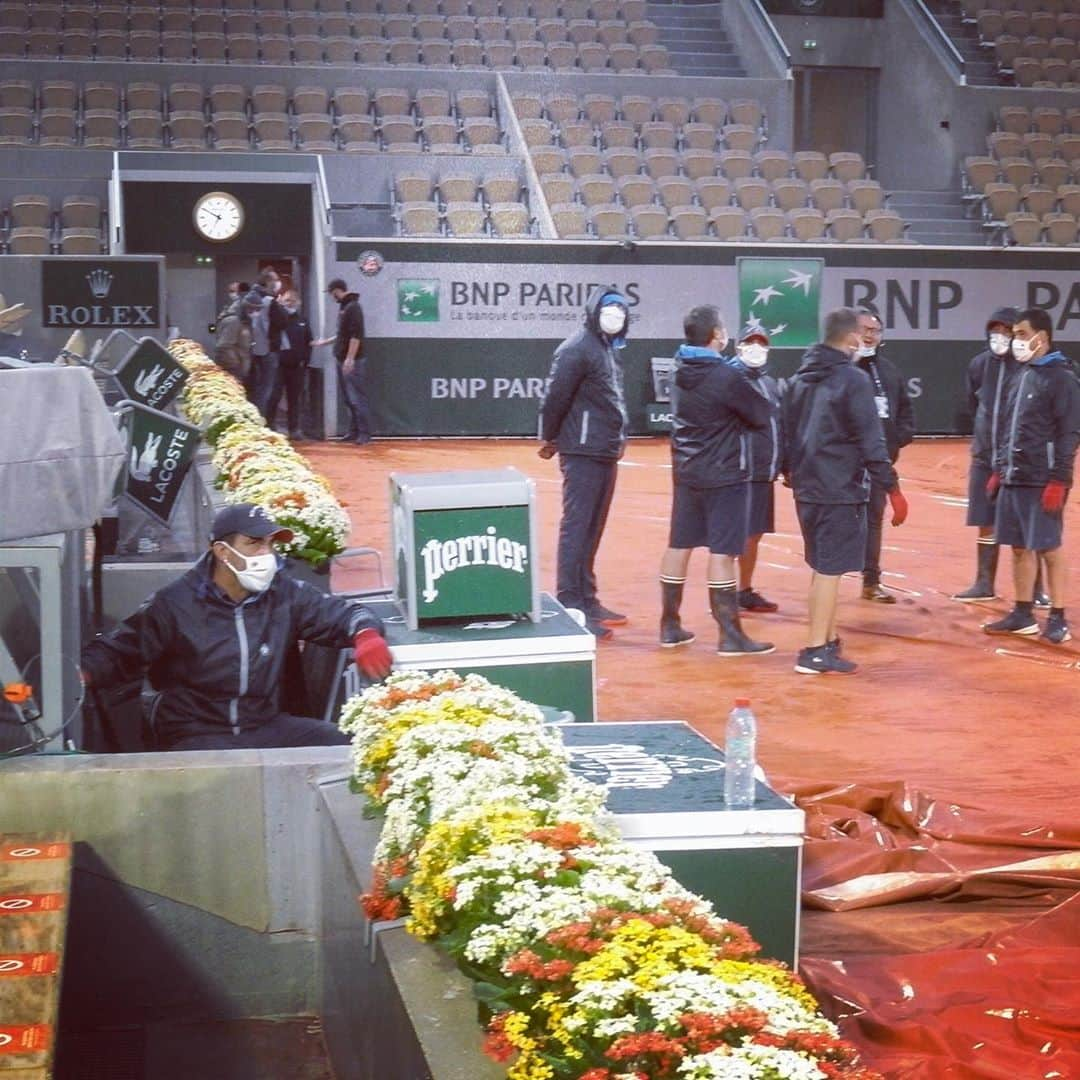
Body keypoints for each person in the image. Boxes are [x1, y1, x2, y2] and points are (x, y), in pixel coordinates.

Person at [81, 503, 394, 750]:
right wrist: (82, 673)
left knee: (342, 746)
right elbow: (120, 651)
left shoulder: (284, 593)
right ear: (222, 552)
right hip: (195, 733)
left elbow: (343, 613)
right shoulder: (175, 603)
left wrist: (365, 633)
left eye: (270, 544)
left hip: (263, 726)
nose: (266, 554)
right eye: (254, 543)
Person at [782, 307, 909, 676]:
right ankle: (814, 650)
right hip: (838, 487)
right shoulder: (854, 380)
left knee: (824, 568)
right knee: (828, 569)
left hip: (808, 486)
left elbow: (786, 431)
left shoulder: (800, 379)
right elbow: (871, 441)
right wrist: (893, 489)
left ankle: (828, 638)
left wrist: (790, 471)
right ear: (851, 336)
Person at [658, 307, 773, 655]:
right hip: (724, 474)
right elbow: (760, 414)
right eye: (722, 329)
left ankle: (670, 625)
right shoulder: (726, 376)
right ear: (716, 335)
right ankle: (730, 635)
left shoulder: (678, 370)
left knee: (679, 545)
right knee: (722, 553)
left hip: (687, 472)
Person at [982, 308, 1080, 644]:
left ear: (1043, 337)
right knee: (1020, 547)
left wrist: (1059, 478)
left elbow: (1069, 433)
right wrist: (999, 468)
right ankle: (1022, 613)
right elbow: (1008, 427)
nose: (1016, 341)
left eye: (1022, 334)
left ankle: (1058, 616)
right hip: (1014, 476)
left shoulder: (1062, 379)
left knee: (1049, 548)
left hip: (1043, 479)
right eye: (1015, 335)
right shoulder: (1019, 375)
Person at [538, 285, 630, 640]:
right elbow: (555, 396)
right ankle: (570, 604)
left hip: (605, 449)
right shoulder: (576, 348)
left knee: (593, 527)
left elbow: (614, 400)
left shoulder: (607, 349)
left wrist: (619, 438)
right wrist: (549, 437)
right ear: (594, 311)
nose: (615, 315)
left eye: (621, 310)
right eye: (609, 308)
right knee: (577, 526)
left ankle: (587, 598)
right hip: (581, 449)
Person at [952, 306, 1019, 603]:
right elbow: (973, 404)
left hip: (1019, 461)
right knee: (985, 520)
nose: (1000, 337)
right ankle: (983, 583)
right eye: (996, 331)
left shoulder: (1030, 366)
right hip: (984, 458)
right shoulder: (979, 365)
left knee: (1023, 523)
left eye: (1006, 331)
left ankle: (1036, 590)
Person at [853, 307, 915, 604]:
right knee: (840, 519)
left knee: (874, 520)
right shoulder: (840, 371)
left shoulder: (889, 372)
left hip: (878, 463)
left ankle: (870, 581)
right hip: (844, 465)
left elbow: (904, 411)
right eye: (864, 329)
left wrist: (896, 440)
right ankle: (825, 578)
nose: (869, 335)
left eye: (874, 331)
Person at [732, 326, 783, 616]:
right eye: (749, 342)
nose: (755, 347)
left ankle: (744, 590)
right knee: (736, 535)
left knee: (754, 534)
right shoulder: (730, 380)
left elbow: (779, 426)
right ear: (738, 347)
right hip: (740, 471)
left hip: (765, 473)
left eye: (761, 343)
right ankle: (726, 592)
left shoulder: (770, 384)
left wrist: (784, 464)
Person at [317, 277, 369, 445]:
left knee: (357, 397)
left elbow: (356, 335)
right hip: (342, 359)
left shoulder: (353, 307)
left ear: (337, 290)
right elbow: (342, 335)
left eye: (332, 293)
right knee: (349, 398)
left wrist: (350, 359)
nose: (332, 297)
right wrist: (325, 342)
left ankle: (364, 433)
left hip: (351, 361)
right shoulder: (345, 307)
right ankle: (353, 431)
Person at [266, 287, 313, 441]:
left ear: (298, 302)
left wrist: (305, 361)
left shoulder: (303, 321)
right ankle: (269, 426)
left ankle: (294, 429)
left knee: (295, 399)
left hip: (297, 367)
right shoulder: (278, 320)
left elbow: (309, 342)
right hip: (279, 365)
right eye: (287, 300)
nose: (290, 303)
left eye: (293, 301)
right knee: (274, 396)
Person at [248, 269, 288, 419]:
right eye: (276, 280)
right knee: (266, 388)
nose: (278, 283)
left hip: (255, 347)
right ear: (268, 282)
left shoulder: (252, 297)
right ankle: (259, 420)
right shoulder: (269, 301)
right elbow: (283, 321)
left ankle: (254, 418)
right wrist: (281, 305)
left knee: (257, 386)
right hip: (269, 348)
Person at [214, 290, 260, 384]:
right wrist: (235, 365)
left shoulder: (245, 323)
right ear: (246, 308)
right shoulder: (234, 321)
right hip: (232, 370)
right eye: (254, 309)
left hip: (239, 369)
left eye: (258, 310)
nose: (256, 313)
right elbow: (224, 346)